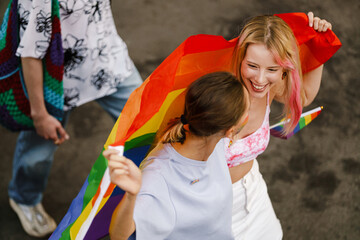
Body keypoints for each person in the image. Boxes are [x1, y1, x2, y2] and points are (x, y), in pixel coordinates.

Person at [8, 0, 143, 237]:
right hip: (57, 84)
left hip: (109, 62)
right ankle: (24, 198)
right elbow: (30, 54)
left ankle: (147, 191)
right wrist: (40, 114)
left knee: (146, 122)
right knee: (37, 152)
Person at [224, 12, 334, 239]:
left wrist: (318, 43)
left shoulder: (269, 89)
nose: (261, 79)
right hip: (209, 205)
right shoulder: (216, 93)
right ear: (241, 58)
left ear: (284, 69)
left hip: (253, 195)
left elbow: (302, 95)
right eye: (252, 66)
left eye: (272, 70)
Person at [104, 71, 250, 240]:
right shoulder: (158, 177)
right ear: (230, 130)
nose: (248, 117)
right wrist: (132, 195)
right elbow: (119, 236)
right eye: (246, 113)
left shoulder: (216, 141)